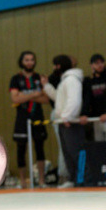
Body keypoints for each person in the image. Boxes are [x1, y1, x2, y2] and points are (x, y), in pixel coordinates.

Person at [42, 55, 84, 188]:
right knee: (67, 153)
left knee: (74, 152)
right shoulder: (65, 80)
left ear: (59, 66)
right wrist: (47, 86)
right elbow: (59, 98)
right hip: (63, 121)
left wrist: (67, 116)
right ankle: (73, 179)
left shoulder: (71, 80)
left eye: (55, 65)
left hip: (68, 122)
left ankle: (81, 180)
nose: (54, 68)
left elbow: (74, 100)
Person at [9, 51, 48, 188]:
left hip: (37, 117)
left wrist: (24, 96)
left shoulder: (40, 78)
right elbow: (14, 98)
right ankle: (23, 181)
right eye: (26, 60)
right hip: (22, 117)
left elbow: (46, 99)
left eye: (32, 59)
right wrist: (36, 93)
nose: (29, 62)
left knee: (40, 147)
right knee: (21, 148)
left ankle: (42, 181)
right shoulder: (15, 79)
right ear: (22, 62)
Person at [80, 54, 106, 141]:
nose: (100, 65)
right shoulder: (89, 81)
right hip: (97, 119)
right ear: (92, 65)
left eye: (102, 62)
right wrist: (84, 114)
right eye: (97, 63)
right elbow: (87, 99)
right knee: (99, 144)